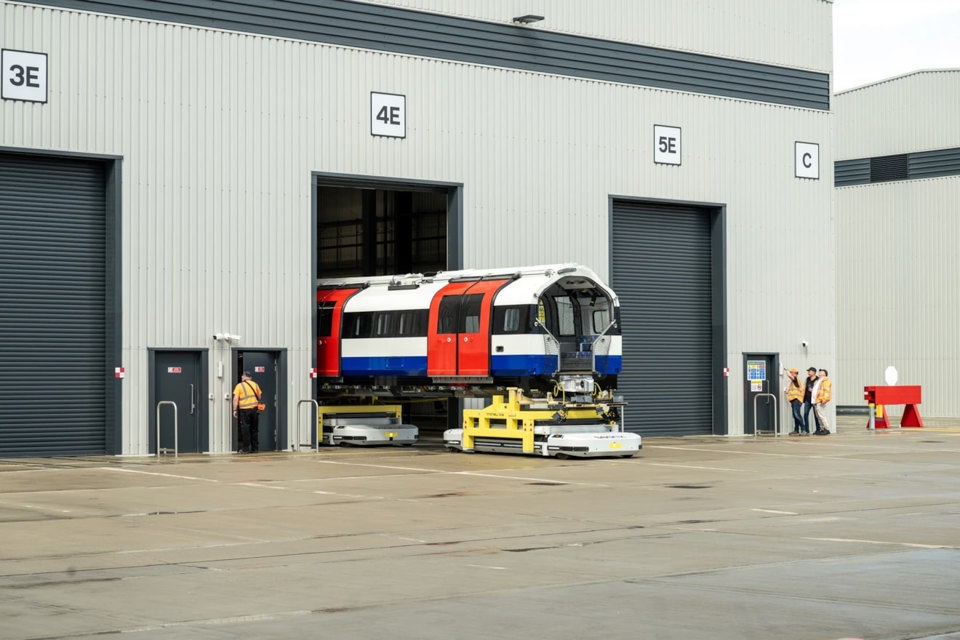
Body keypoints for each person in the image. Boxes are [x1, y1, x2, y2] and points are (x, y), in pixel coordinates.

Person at [232, 371, 263, 453]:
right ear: (250, 377)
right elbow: (259, 396)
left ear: (245, 377)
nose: (241, 378)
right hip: (255, 410)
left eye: (242, 377)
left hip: (244, 410)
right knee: (254, 429)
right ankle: (255, 449)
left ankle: (245, 449)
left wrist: (234, 409)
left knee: (246, 430)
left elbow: (235, 399)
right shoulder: (255, 385)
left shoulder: (239, 386)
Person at [784, 368, 805, 435]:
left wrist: (786, 370)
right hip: (794, 399)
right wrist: (788, 392)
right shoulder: (793, 382)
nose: (790, 373)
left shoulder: (796, 379)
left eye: (791, 372)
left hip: (797, 399)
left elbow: (789, 376)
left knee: (797, 414)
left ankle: (803, 429)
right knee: (795, 415)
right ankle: (796, 430)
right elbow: (794, 390)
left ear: (794, 373)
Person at [813, 369, 833, 435]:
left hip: (821, 401)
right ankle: (822, 429)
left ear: (824, 374)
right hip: (817, 401)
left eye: (821, 372)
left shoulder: (826, 381)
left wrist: (824, 399)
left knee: (822, 415)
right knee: (818, 416)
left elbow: (827, 391)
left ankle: (827, 429)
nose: (819, 373)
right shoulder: (819, 381)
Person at [801, 367, 818, 435]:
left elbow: (819, 389)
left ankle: (818, 429)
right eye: (808, 371)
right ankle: (807, 430)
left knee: (816, 415)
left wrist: (813, 390)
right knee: (805, 414)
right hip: (807, 400)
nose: (808, 372)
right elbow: (804, 387)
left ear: (814, 372)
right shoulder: (807, 379)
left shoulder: (817, 379)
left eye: (809, 371)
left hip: (814, 400)